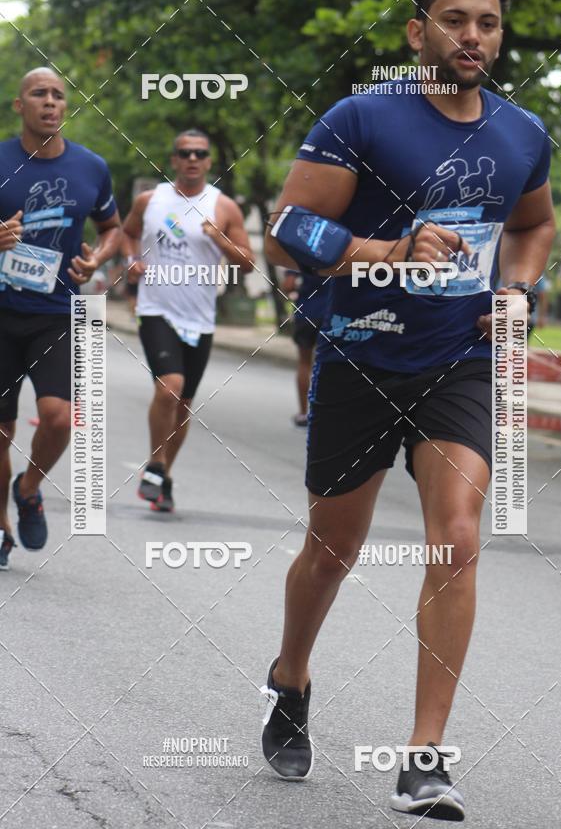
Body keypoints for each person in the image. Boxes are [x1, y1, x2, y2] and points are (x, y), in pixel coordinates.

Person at [261, 0, 555, 820]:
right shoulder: (362, 117)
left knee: (458, 538)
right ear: (415, 33)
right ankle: (290, 677)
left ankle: (424, 758)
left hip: (459, 361)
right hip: (359, 355)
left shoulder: (521, 132)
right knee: (333, 550)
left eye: (489, 24)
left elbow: (533, 227)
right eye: (455, 20)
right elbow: (288, 233)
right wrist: (385, 251)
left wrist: (518, 293)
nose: (474, 37)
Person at [0, 68, 120, 570]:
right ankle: (0, 529)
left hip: (59, 313)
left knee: (58, 417)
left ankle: (28, 488)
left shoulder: (90, 167)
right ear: (19, 106)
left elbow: (113, 228)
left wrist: (99, 259)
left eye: (57, 95)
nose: (50, 102)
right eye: (38, 94)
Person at [122, 129, 254, 512]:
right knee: (170, 388)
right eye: (185, 153)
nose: (193, 159)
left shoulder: (224, 207)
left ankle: (162, 476)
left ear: (209, 161)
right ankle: (155, 464)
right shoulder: (150, 200)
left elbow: (247, 263)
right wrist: (131, 261)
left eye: (200, 153)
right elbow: (128, 234)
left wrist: (219, 239)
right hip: (155, 308)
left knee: (183, 405)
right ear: (174, 160)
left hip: (199, 318)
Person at [281, 270, 330, 427]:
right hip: (331, 312)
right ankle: (327, 412)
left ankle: (303, 413)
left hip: (306, 311)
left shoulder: (301, 249)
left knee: (304, 363)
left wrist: (301, 288)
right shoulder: (342, 247)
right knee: (331, 364)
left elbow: (288, 285)